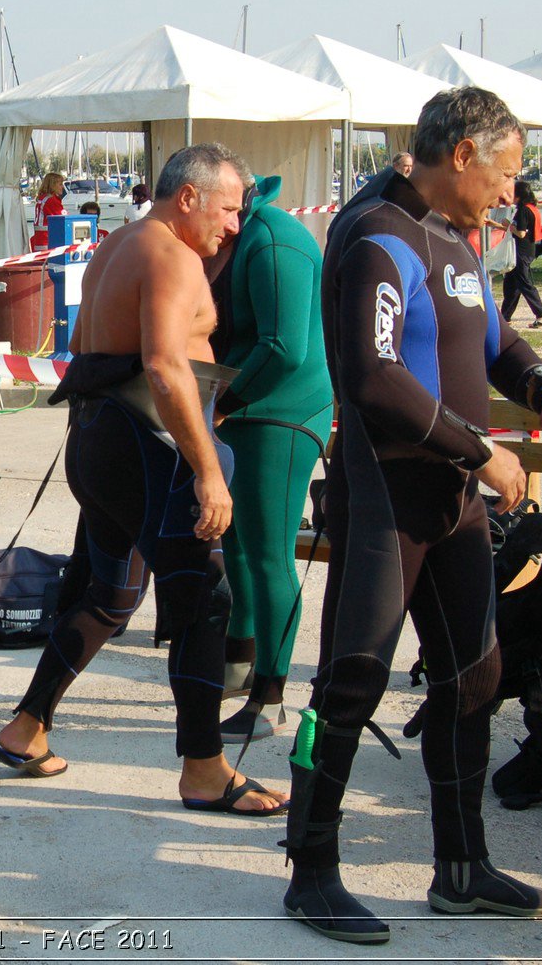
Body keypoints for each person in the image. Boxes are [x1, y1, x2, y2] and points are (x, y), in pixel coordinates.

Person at [282, 87, 542, 943]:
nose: (510, 191)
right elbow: (378, 381)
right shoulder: (378, 232)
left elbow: (487, 339)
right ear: (462, 155)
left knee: (474, 677)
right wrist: (483, 451)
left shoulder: (455, 235)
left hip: (450, 502)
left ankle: (462, 871)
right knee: (349, 684)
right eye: (504, 172)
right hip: (389, 494)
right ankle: (310, 871)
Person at [0, 143, 288, 816]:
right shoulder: (173, 256)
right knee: (200, 604)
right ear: (189, 197)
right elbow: (162, 364)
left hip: (99, 443)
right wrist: (209, 472)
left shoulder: (117, 244)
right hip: (148, 448)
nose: (235, 226)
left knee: (110, 595)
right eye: (230, 208)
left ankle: (25, 727)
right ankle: (205, 771)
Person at [207, 173, 333, 743]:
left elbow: (284, 349)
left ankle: (270, 697)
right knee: (235, 544)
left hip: (282, 410)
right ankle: (236, 663)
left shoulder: (274, 241)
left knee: (268, 556)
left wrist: (223, 403)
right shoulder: (244, 232)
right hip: (243, 406)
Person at [500, 180, 542, 327]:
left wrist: (508, 225)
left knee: (525, 283)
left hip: (521, 250)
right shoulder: (532, 208)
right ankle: (505, 317)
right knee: (511, 285)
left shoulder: (523, 210)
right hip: (527, 249)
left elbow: (520, 233)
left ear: (519, 195)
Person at [30, 171, 65, 250]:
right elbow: (64, 220)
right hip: (48, 243)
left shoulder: (43, 199)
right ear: (53, 185)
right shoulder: (51, 200)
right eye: (60, 184)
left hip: (39, 241)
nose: (62, 187)